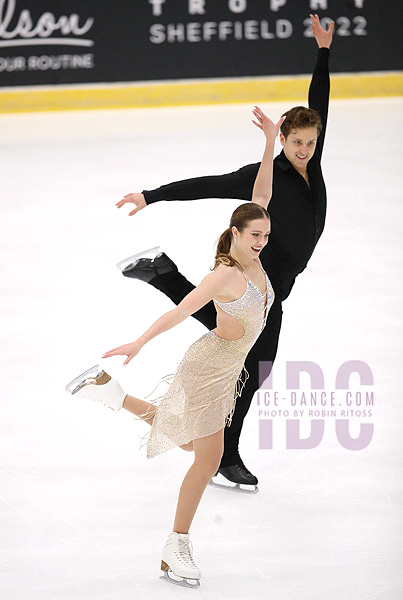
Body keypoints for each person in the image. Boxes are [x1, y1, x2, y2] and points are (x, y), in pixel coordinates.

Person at [65, 107, 284, 588]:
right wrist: (140, 342)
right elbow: (180, 311)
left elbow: (262, 194)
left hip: (230, 370)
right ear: (235, 234)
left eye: (266, 235)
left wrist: (270, 143)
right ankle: (175, 547)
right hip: (209, 366)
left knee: (189, 441)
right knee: (207, 458)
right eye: (255, 236)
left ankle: (113, 396)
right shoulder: (226, 273)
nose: (263, 242)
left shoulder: (255, 248)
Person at [115, 14, 335, 487]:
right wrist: (152, 195)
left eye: (310, 142)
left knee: (232, 338)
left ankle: (163, 275)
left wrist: (322, 52)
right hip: (259, 278)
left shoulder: (312, 165)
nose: (304, 149)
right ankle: (225, 456)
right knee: (251, 365)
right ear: (282, 138)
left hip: (279, 286)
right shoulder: (266, 175)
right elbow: (207, 185)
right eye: (295, 141)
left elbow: (321, 104)